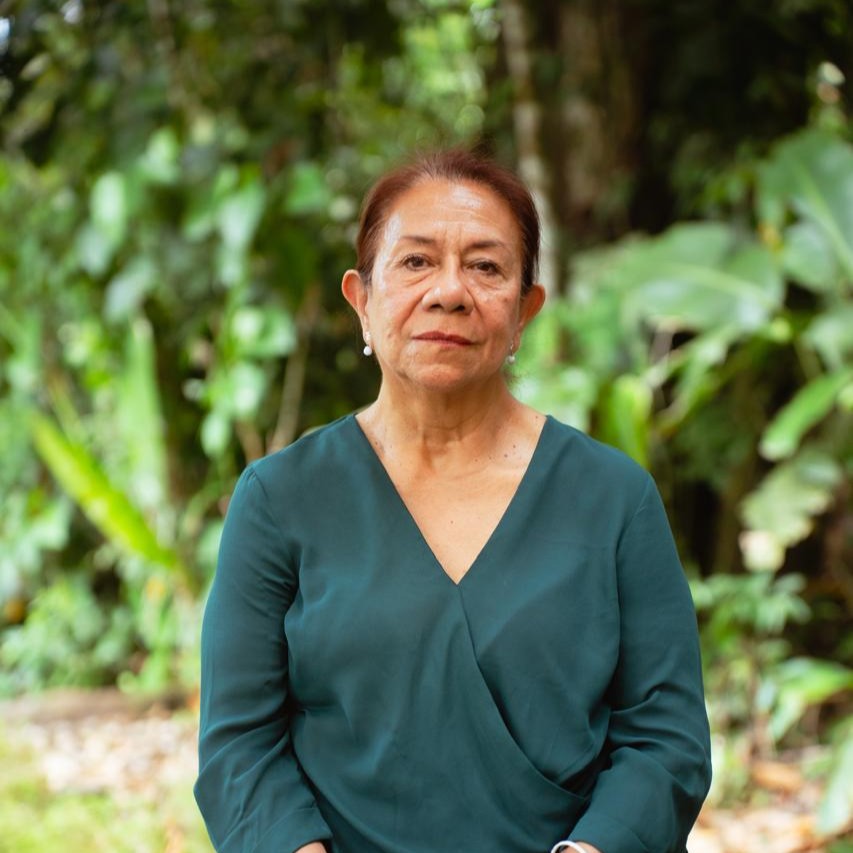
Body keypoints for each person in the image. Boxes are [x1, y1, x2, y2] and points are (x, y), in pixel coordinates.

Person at [194, 149, 712, 853]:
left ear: (524, 311)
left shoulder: (614, 498)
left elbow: (666, 738)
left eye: (485, 267)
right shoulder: (280, 498)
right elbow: (239, 746)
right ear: (361, 300)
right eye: (415, 262)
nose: (449, 292)